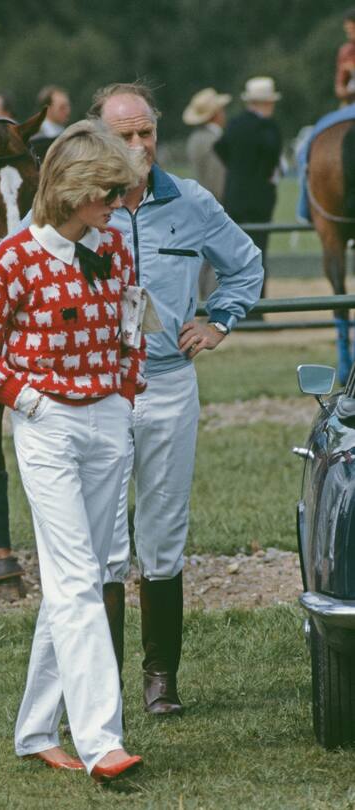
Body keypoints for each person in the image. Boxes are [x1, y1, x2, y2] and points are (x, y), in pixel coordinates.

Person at [0, 120, 145, 781]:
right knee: (76, 580)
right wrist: (30, 401)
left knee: (79, 579)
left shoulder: (114, 246)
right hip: (48, 426)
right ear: (72, 190)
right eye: (109, 192)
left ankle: (36, 730)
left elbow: (130, 322)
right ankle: (102, 742)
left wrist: (124, 389)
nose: (118, 203)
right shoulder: (12, 258)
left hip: (107, 420)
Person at [87, 82, 263, 716]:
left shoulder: (191, 201)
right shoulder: (75, 204)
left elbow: (246, 264)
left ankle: (161, 678)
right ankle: (99, 684)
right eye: (124, 135)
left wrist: (219, 320)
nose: (138, 144)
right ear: (98, 136)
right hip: (98, 391)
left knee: (163, 532)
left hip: (168, 383)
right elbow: (16, 260)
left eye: (147, 132)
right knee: (103, 539)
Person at [214, 76, 282, 299]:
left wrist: (236, 170)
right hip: (260, 200)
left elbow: (220, 147)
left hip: (234, 197)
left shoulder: (234, 124)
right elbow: (272, 158)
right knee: (258, 254)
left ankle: (235, 302)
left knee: (235, 255)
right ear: (266, 103)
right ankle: (257, 306)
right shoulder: (269, 127)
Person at [183, 87, 231, 298]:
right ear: (216, 114)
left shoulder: (196, 138)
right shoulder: (213, 141)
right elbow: (217, 179)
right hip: (213, 204)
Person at [31, 85, 72, 162]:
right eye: (62, 107)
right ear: (47, 109)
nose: (68, 111)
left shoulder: (69, 134)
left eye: (68, 106)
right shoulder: (34, 138)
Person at [336, 7, 355, 105]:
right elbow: (340, 87)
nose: (349, 35)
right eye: (348, 31)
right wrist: (349, 93)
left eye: (352, 30)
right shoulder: (346, 52)